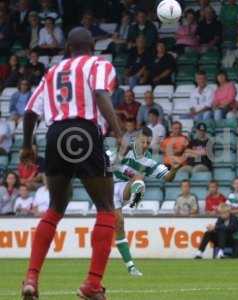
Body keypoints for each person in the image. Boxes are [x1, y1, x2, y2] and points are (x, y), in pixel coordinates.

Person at [21, 27, 123, 299]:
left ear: (68, 48)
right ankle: (92, 284)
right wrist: (120, 133)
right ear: (92, 47)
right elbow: (101, 94)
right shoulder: (99, 64)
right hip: (85, 132)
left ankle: (31, 278)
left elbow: (30, 111)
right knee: (105, 208)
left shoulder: (52, 72)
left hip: (55, 136)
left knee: (55, 208)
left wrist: (27, 146)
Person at [113, 127, 182, 277]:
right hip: (108, 187)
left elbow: (168, 177)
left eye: (148, 142)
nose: (145, 145)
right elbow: (107, 162)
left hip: (125, 188)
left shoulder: (150, 161)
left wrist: (175, 169)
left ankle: (136, 197)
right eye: (143, 141)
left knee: (139, 178)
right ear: (136, 139)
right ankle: (131, 267)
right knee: (119, 225)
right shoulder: (124, 150)